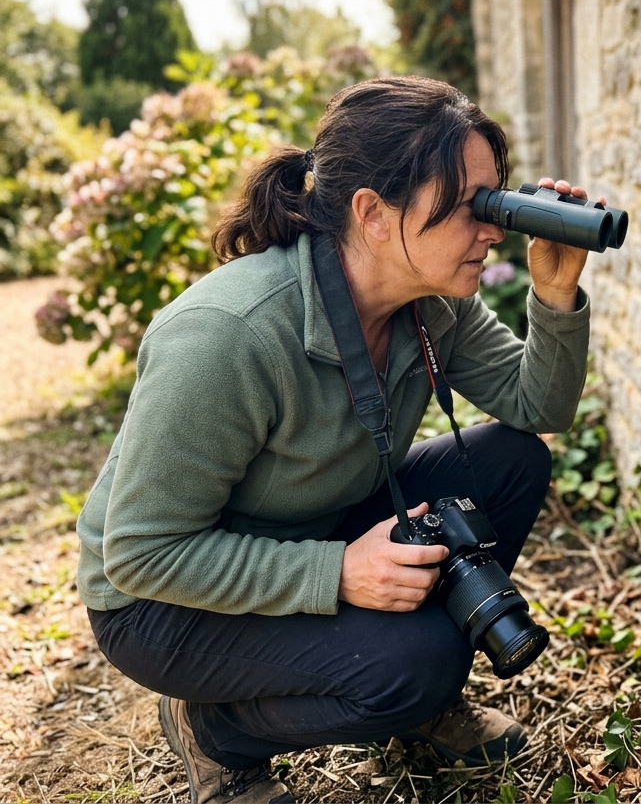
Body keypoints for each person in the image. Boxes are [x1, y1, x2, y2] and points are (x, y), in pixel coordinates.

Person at [75, 76, 597, 804]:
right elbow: (141, 553)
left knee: (511, 462)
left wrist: (555, 293)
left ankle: (411, 702)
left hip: (317, 525)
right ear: (373, 214)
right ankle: (217, 735)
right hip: (164, 603)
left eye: (495, 202)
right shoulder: (229, 336)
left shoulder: (429, 303)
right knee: (416, 666)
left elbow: (537, 403)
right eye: (468, 208)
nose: (494, 230)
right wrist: (338, 574)